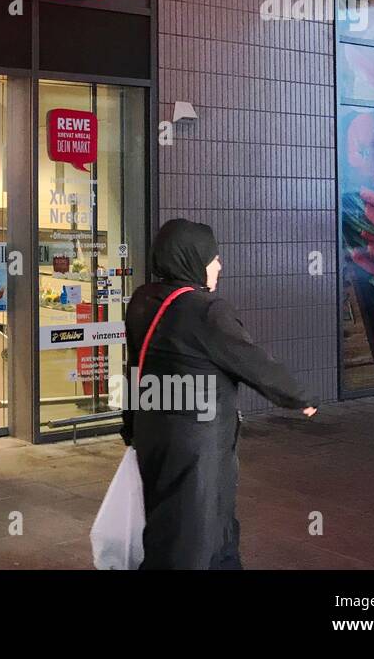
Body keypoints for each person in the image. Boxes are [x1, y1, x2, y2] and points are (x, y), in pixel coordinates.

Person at [121, 218, 318, 569]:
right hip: (198, 444)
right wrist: (298, 395)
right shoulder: (207, 311)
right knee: (194, 535)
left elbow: (136, 364)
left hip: (154, 434)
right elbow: (253, 361)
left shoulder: (142, 301)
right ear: (193, 259)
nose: (219, 265)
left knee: (176, 523)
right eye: (213, 258)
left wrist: (131, 422)